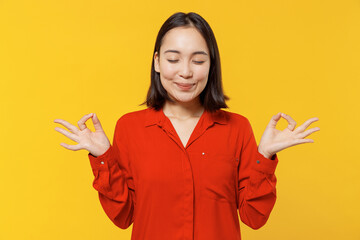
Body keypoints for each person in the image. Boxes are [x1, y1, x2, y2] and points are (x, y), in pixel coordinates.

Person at [54, 12, 319, 240]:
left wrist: (264, 157)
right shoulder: (130, 128)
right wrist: (104, 158)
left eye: (198, 60)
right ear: (157, 62)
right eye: (173, 59)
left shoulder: (237, 128)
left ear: (211, 65)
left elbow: (254, 217)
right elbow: (124, 216)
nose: (185, 72)